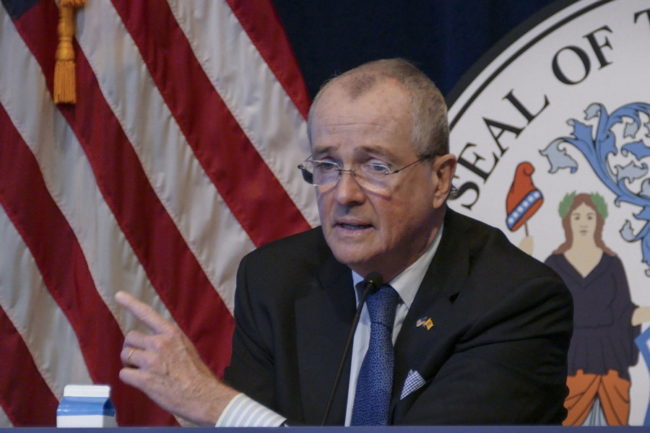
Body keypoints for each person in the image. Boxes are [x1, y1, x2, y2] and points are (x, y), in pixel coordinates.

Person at [116, 58, 573, 426]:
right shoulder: (276, 280)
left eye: (376, 166)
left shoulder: (514, 300)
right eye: (327, 166)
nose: (344, 194)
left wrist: (218, 408)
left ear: (440, 179)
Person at [544, 192, 647, 426]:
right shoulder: (553, 265)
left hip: (608, 362)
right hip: (571, 361)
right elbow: (542, 315)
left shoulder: (612, 264)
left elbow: (624, 313)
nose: (583, 222)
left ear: (598, 222)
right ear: (568, 221)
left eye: (589, 216)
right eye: (577, 216)